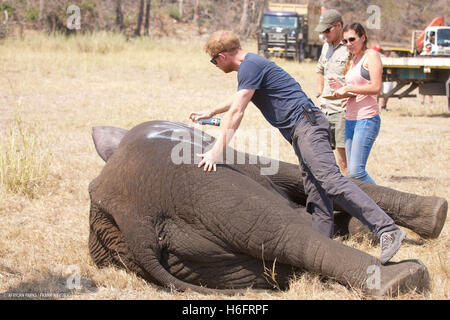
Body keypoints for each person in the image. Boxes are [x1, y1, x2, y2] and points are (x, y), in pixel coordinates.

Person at [190, 30, 406, 264]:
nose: (215, 65)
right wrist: (211, 112)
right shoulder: (251, 65)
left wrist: (215, 151)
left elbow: (238, 111)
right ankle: (321, 252)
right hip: (301, 130)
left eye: (213, 61)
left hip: (307, 126)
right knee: (316, 192)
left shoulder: (249, 66)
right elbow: (239, 98)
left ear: (221, 56)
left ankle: (387, 230)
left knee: (331, 181)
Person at [329, 23, 382, 185]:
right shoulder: (353, 60)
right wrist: (342, 91)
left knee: (357, 172)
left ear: (363, 38)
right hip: (350, 119)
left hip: (366, 119)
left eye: (352, 39)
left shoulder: (371, 56)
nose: (348, 44)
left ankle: (384, 205)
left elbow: (376, 87)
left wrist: (350, 88)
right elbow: (358, 91)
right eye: (345, 41)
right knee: (351, 174)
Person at [315, 9, 349, 176]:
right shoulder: (325, 47)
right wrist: (319, 94)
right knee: (326, 159)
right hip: (325, 109)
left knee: (344, 163)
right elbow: (320, 70)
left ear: (338, 26)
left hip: (343, 111)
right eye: (322, 31)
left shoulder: (349, 47)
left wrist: (349, 96)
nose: (324, 34)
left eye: (327, 30)